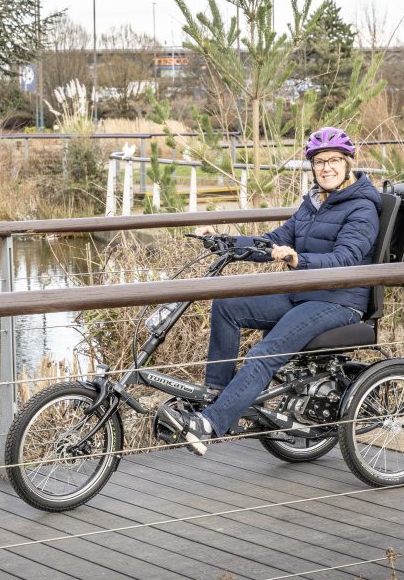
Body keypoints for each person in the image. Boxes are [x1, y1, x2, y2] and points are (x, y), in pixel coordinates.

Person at [156, 127, 381, 455]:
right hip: (303, 291)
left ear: (348, 163)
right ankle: (216, 393)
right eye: (319, 161)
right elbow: (274, 240)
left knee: (265, 352)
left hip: (339, 300)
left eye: (334, 160)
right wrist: (225, 242)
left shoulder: (362, 208)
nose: (326, 167)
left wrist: (298, 259)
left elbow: (345, 258)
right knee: (228, 305)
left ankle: (210, 424)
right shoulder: (314, 203)